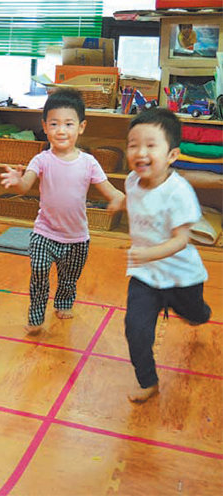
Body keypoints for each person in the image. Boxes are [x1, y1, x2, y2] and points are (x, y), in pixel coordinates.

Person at [0, 89, 125, 333]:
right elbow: (26, 185)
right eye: (54, 124)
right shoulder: (42, 160)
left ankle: (64, 302)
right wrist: (17, 181)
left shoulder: (88, 162)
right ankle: (36, 317)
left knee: (68, 278)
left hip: (77, 238)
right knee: (38, 272)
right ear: (45, 127)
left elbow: (112, 192)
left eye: (68, 124)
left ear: (81, 127)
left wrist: (121, 200)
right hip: (44, 233)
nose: (61, 130)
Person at [124, 108, 211, 403]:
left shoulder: (180, 192)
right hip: (144, 276)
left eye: (151, 145)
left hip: (181, 276)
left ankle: (199, 313)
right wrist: (116, 202)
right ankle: (148, 381)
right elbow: (134, 200)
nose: (140, 152)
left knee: (195, 315)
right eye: (133, 144)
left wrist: (148, 253)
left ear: (172, 155)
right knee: (135, 329)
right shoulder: (131, 182)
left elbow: (181, 240)